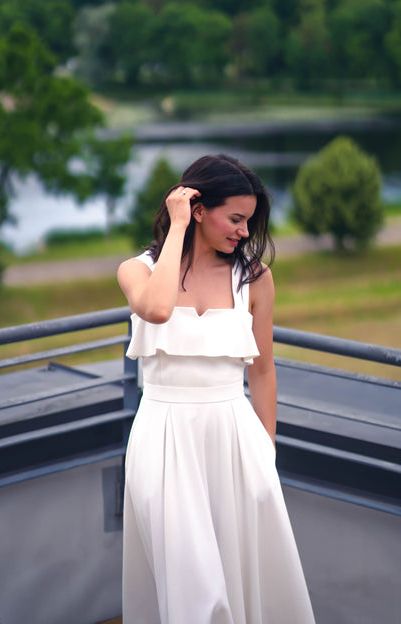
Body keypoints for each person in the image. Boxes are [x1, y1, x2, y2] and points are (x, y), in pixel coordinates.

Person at [117, 154, 315, 624]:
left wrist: (265, 453)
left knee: (243, 574)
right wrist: (178, 227)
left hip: (235, 439)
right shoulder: (137, 270)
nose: (245, 232)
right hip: (165, 439)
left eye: (249, 222)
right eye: (236, 218)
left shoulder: (256, 279)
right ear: (199, 209)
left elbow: (262, 371)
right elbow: (158, 309)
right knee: (194, 586)